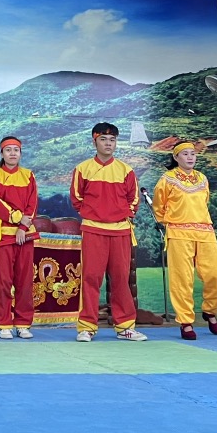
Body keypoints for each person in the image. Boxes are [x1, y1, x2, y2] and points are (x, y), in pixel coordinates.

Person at [70, 122, 147, 342]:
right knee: (91, 278)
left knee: (121, 279)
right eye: (103, 139)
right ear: (94, 141)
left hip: (120, 231)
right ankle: (86, 327)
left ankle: (125, 327)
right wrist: (93, 213)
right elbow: (76, 198)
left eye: (112, 140)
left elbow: (134, 199)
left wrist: (123, 215)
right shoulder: (83, 169)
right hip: (93, 230)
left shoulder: (125, 170)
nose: (108, 144)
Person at [152, 142, 217, 341]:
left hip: (204, 231)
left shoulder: (202, 178)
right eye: (185, 154)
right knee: (182, 279)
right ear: (176, 157)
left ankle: (210, 310)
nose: (190, 157)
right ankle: (186, 322)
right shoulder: (167, 179)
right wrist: (170, 223)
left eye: (193, 153)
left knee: (216, 273)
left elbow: (204, 203)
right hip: (178, 232)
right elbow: (158, 206)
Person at [0, 135, 38, 340]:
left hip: (25, 234)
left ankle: (23, 323)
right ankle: (4, 323)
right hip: (3, 235)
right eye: (8, 150)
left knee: (25, 280)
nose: (12, 153)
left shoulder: (28, 175)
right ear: (2, 153)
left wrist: (23, 227)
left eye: (16, 150)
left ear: (21, 153)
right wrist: (16, 218)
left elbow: (32, 204)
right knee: (4, 281)